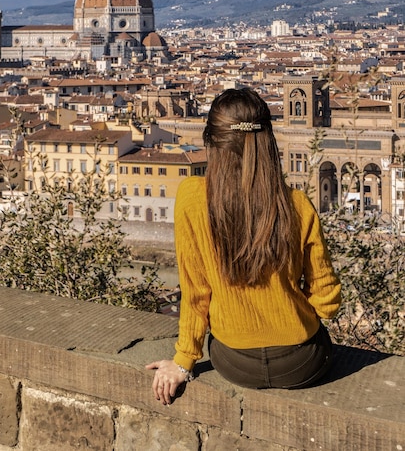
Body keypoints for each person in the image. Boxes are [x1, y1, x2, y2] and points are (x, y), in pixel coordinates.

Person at [146, 88, 341, 405]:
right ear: (269, 141)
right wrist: (295, 313)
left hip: (234, 362)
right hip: (303, 362)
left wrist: (183, 361)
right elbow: (328, 302)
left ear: (212, 140)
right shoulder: (297, 204)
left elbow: (196, 294)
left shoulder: (192, 198)